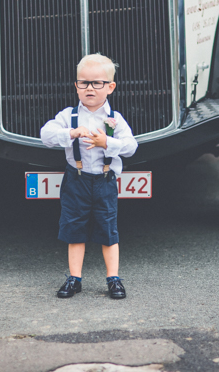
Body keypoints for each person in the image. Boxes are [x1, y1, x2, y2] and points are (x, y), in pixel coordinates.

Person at [40, 54, 138, 299]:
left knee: (108, 230)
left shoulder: (115, 119)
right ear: (76, 86)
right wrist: (71, 133)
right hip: (77, 180)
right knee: (75, 229)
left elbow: (131, 146)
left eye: (97, 83)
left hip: (105, 181)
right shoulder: (69, 116)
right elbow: (46, 134)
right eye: (83, 83)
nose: (90, 88)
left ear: (110, 87)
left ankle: (113, 279)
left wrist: (108, 142)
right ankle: (74, 278)